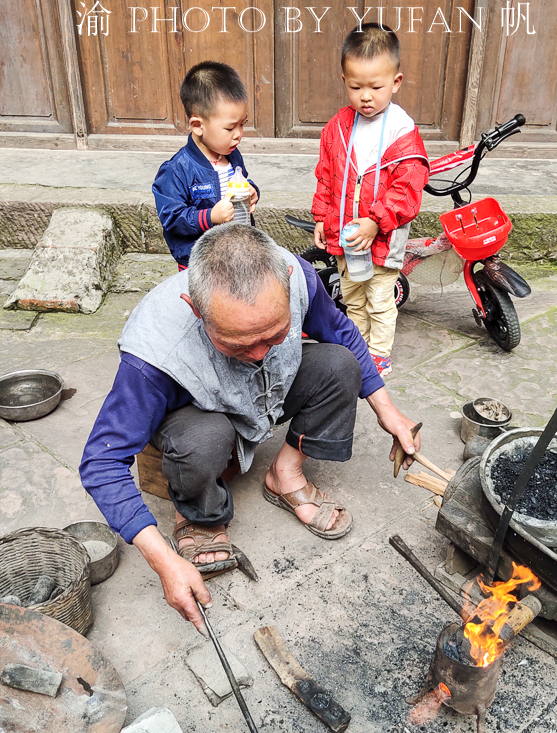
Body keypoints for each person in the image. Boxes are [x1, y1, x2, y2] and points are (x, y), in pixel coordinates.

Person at [80, 224, 419, 632]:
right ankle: (201, 515)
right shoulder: (153, 351)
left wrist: (387, 409)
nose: (258, 354)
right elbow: (101, 461)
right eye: (238, 345)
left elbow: (342, 333)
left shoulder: (298, 276)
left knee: (338, 364)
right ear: (194, 309)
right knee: (204, 439)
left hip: (266, 394)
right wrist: (162, 559)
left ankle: (284, 473)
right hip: (198, 416)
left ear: (289, 280)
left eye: (274, 335)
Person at [311, 23, 429, 376]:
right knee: (353, 296)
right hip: (348, 238)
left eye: (376, 87)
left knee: (379, 298)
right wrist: (321, 216)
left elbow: (407, 189)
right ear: (343, 80)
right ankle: (358, 345)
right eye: (355, 86)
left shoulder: (400, 130)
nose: (365, 96)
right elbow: (327, 176)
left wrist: (376, 220)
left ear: (395, 82)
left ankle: (379, 353)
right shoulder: (337, 128)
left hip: (382, 238)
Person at [152, 61, 260, 268]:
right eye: (230, 128)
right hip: (200, 264)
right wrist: (210, 216)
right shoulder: (177, 169)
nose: (238, 135)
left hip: (237, 253)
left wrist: (252, 190)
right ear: (197, 126)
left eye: (242, 124)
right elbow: (172, 218)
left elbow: (241, 180)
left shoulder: (232, 155)